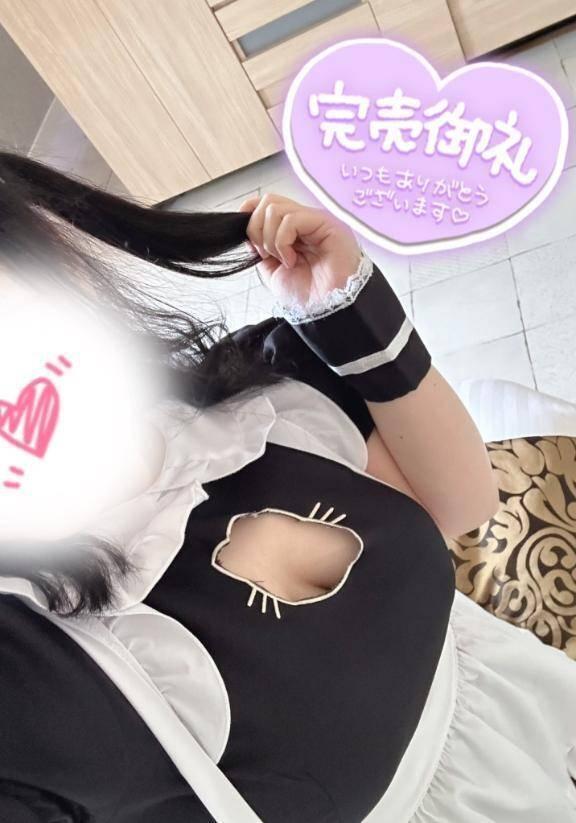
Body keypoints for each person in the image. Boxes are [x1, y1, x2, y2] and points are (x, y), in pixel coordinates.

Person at [0, 151, 574, 823]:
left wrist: (352, 310)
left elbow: (463, 504)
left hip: (528, 705)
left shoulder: (253, 393)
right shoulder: (35, 670)